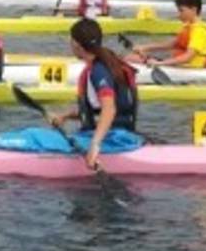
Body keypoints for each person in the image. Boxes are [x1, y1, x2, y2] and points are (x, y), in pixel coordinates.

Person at [49, 18, 139, 170]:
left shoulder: (98, 71)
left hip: (113, 141)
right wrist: (65, 116)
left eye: (70, 40)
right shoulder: (108, 62)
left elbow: (109, 109)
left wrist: (94, 146)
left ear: (77, 45)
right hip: (121, 136)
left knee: (34, 136)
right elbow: (97, 110)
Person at [128, 0, 206, 69]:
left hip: (193, 68)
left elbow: (187, 57)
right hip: (183, 66)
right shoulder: (189, 26)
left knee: (130, 59)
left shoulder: (199, 31)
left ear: (194, 10)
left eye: (181, 11)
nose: (178, 15)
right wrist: (145, 47)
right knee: (131, 58)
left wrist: (160, 64)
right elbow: (173, 44)